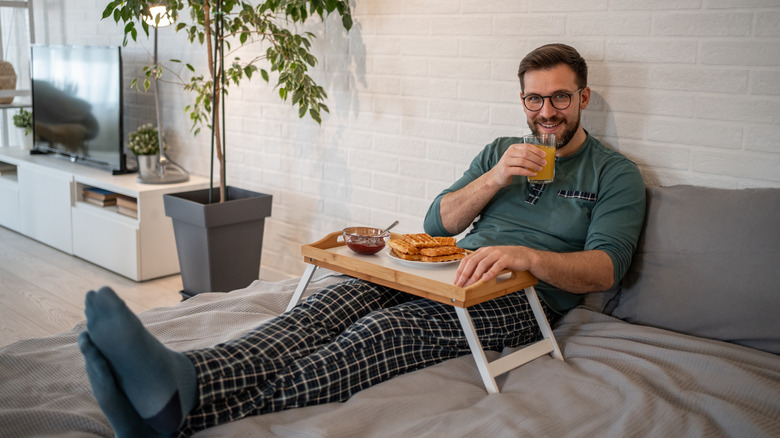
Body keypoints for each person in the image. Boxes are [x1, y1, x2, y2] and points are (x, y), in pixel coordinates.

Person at [78, 43, 646, 437]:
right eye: (533, 100)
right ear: (521, 100)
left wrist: (524, 255)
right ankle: (181, 379)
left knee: (381, 332)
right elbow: (435, 223)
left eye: (560, 99)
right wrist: (496, 177)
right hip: (445, 267)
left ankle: (181, 405)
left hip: (519, 298)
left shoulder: (614, 174)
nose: (546, 113)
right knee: (324, 308)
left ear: (584, 98)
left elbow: (604, 270)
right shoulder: (500, 151)